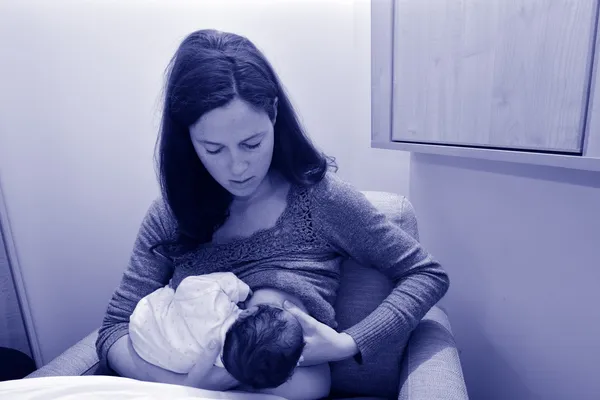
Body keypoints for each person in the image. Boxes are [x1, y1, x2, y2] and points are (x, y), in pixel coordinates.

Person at [95, 28, 450, 399]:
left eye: (252, 143)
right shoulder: (172, 214)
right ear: (188, 139)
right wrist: (186, 387)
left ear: (274, 115)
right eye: (213, 149)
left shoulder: (320, 201)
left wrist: (348, 343)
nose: (238, 167)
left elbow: (426, 274)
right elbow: (114, 328)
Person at [128, 272, 318, 391]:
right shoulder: (224, 365)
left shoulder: (213, 305)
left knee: (175, 298)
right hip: (148, 350)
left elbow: (190, 284)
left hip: (143, 319)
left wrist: (241, 290)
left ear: (248, 312)